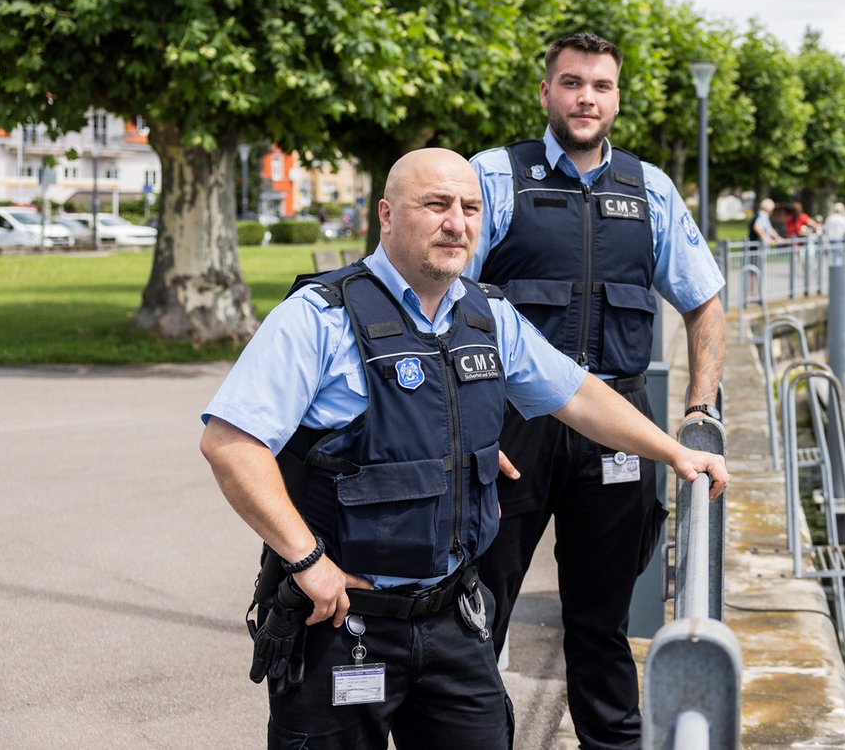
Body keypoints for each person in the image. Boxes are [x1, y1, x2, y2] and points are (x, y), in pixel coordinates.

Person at [198, 148, 727, 750]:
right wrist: (305, 561)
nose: (458, 223)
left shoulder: (488, 314)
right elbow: (230, 443)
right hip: (343, 620)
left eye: (471, 207)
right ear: (388, 214)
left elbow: (577, 395)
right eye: (437, 205)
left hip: (454, 620)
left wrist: (674, 452)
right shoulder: (318, 318)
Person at [469, 32, 727, 750]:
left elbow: (705, 300)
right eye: (572, 82)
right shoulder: (493, 177)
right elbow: (438, 301)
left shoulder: (650, 189)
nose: (587, 97)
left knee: (601, 624)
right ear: (546, 91)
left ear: (617, 98)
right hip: (508, 430)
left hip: (614, 425)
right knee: (475, 619)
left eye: (602, 86)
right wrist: (462, 427)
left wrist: (699, 407)